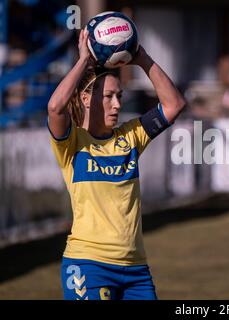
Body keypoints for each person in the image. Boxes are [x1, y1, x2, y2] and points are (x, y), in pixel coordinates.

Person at [47, 29, 186, 300]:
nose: (116, 105)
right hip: (89, 264)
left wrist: (143, 58)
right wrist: (84, 60)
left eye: (119, 96)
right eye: (108, 96)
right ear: (87, 99)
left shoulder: (130, 137)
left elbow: (174, 104)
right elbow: (55, 107)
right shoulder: (72, 142)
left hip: (135, 269)